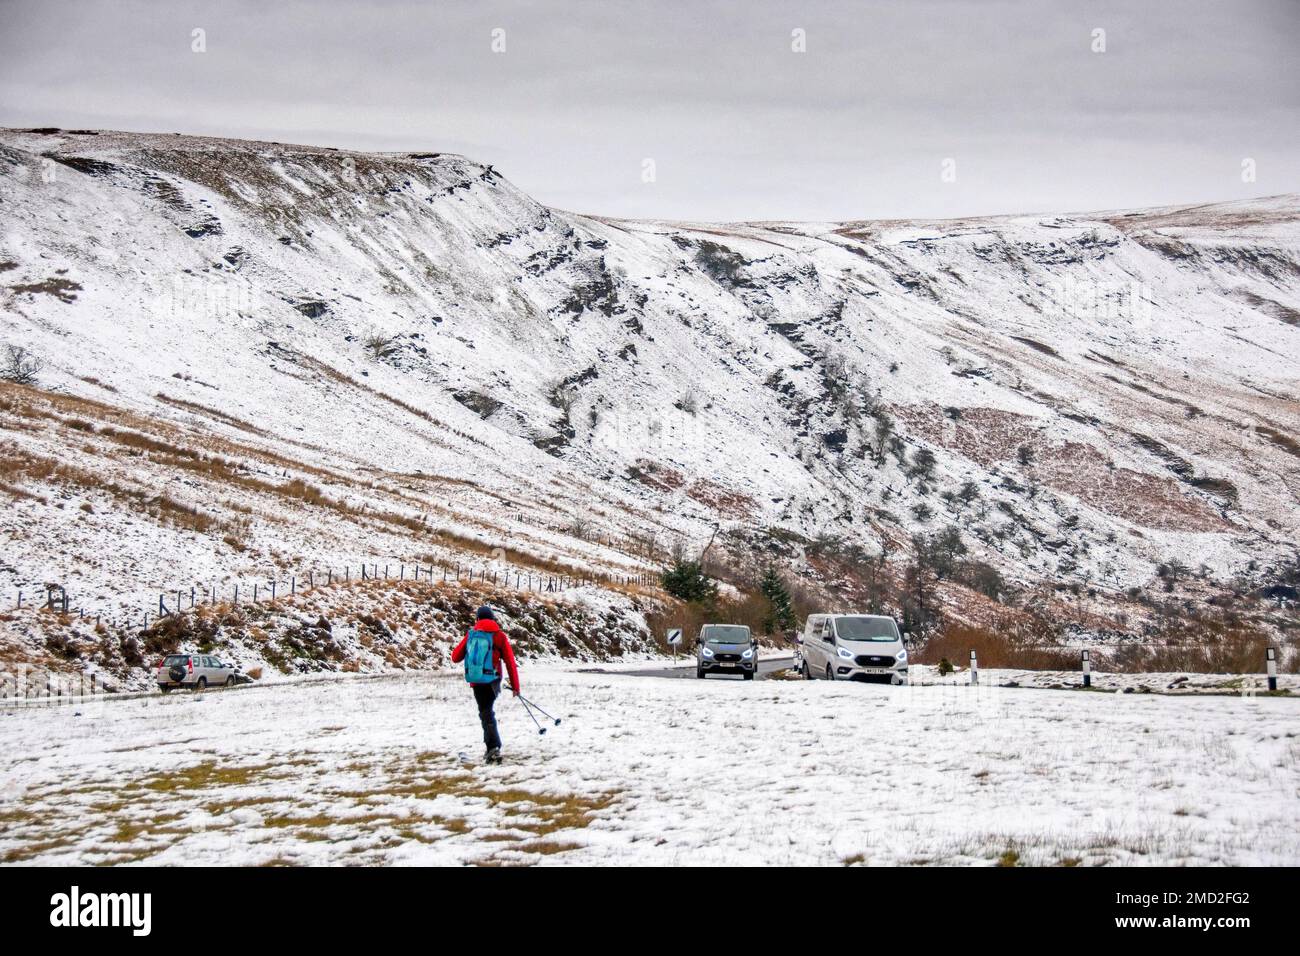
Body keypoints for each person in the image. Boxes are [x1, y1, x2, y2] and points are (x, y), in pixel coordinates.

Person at [450, 605, 520, 764]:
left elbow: (455, 657)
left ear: (477, 619)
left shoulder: (471, 635)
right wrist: (516, 686)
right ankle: (492, 748)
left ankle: (493, 748)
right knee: (486, 712)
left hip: (477, 681)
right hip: (493, 682)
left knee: (485, 713)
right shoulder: (499, 636)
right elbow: (510, 662)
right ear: (493, 618)